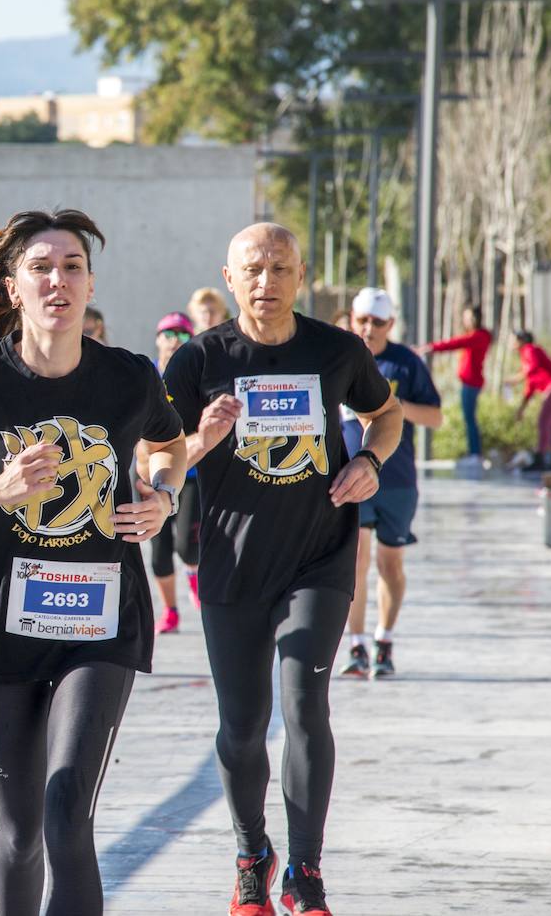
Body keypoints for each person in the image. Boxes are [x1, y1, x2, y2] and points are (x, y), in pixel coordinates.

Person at [0, 209, 187, 916]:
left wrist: (163, 498)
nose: (59, 279)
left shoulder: (132, 377)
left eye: (73, 266)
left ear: (89, 285)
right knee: (20, 833)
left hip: (100, 621)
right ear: (14, 288)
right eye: (41, 267)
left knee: (65, 814)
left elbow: (170, 446)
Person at [162, 224, 402, 915]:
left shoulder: (335, 349)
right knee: (241, 726)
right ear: (228, 278)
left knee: (303, 704)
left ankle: (305, 869)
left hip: (319, 555)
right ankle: (251, 854)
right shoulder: (199, 359)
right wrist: (199, 440)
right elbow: (157, 456)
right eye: (252, 269)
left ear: (301, 275)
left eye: (279, 267)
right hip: (233, 563)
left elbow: (384, 415)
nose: (265, 281)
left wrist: (370, 461)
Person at [336, 288, 443, 680]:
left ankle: (385, 638)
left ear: (391, 325)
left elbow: (436, 417)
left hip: (396, 480)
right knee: (356, 558)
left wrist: (390, 409)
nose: (368, 328)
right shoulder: (339, 357)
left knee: (390, 563)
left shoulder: (405, 363)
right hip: (350, 476)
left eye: (377, 322)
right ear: (351, 318)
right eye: (362, 319)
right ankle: (357, 644)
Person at [149, 311, 200, 635]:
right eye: (168, 334)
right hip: (147, 472)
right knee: (158, 553)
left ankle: (194, 573)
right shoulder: (144, 375)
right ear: (157, 339)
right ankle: (169, 611)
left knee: (186, 545)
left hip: (189, 473)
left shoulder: (196, 377)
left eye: (182, 335)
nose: (173, 341)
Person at [415, 306, 491, 469]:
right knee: (469, 418)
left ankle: (475, 454)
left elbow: (456, 343)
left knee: (470, 419)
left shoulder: (479, 336)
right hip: (469, 382)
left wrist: (431, 348)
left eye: (469, 317)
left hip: (472, 383)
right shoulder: (475, 336)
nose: (466, 321)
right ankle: (474, 453)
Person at [512, 331, 551, 473]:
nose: (512, 343)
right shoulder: (527, 354)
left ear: (521, 340)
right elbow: (530, 386)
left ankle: (540, 459)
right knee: (549, 424)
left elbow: (532, 367)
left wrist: (517, 378)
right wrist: (522, 408)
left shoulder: (530, 349)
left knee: (544, 422)